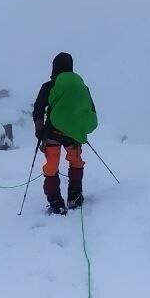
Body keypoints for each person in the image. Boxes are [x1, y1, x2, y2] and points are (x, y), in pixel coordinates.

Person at [32, 52, 98, 215]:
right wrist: (82, 128)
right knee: (76, 161)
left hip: (52, 131)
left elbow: (38, 108)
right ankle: (74, 196)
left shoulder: (49, 85)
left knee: (52, 165)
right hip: (73, 133)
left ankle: (55, 201)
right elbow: (90, 110)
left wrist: (39, 131)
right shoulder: (82, 87)